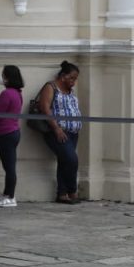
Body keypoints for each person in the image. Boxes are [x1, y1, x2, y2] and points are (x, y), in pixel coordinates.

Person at [39, 60, 82, 204]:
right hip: (58, 131)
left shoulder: (70, 90)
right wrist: (56, 128)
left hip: (73, 132)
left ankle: (62, 194)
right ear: (63, 76)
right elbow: (45, 108)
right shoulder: (51, 87)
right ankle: (72, 190)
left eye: (75, 79)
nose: (73, 82)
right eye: (71, 78)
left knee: (64, 161)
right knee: (72, 159)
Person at [0, 65, 24, 207]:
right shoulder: (17, 93)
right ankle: (7, 193)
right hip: (13, 131)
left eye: (3, 75)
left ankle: (10, 196)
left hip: (5, 133)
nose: (1, 78)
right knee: (9, 165)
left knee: (9, 167)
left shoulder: (6, 94)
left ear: (8, 78)